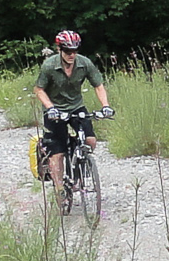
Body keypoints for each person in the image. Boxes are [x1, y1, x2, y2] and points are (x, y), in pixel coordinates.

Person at [33, 30, 114, 184]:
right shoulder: (49, 65)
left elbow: (98, 85)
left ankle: (80, 163)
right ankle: (60, 190)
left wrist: (105, 106)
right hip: (55, 109)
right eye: (68, 51)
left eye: (75, 50)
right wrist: (50, 108)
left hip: (76, 107)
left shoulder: (84, 63)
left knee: (90, 141)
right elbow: (39, 89)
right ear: (59, 49)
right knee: (57, 153)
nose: (72, 54)